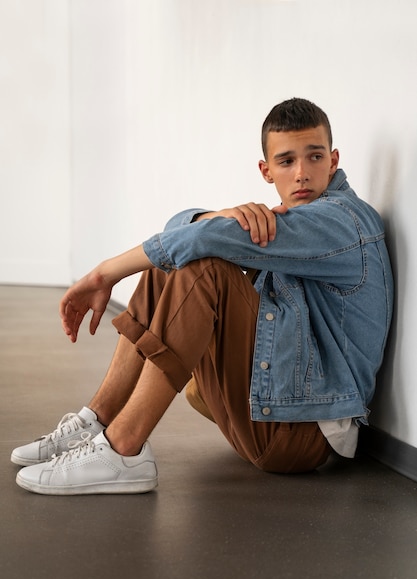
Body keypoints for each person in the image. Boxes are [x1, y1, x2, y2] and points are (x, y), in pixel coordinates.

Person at [11, 98, 394, 495]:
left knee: (202, 266)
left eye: (314, 157)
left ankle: (123, 451)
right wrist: (217, 215)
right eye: (286, 161)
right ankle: (98, 420)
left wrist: (104, 272)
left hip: (301, 434)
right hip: (270, 409)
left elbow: (201, 241)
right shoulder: (291, 219)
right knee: (173, 262)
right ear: (266, 171)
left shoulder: (342, 222)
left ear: (332, 161)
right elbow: (184, 230)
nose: (301, 174)